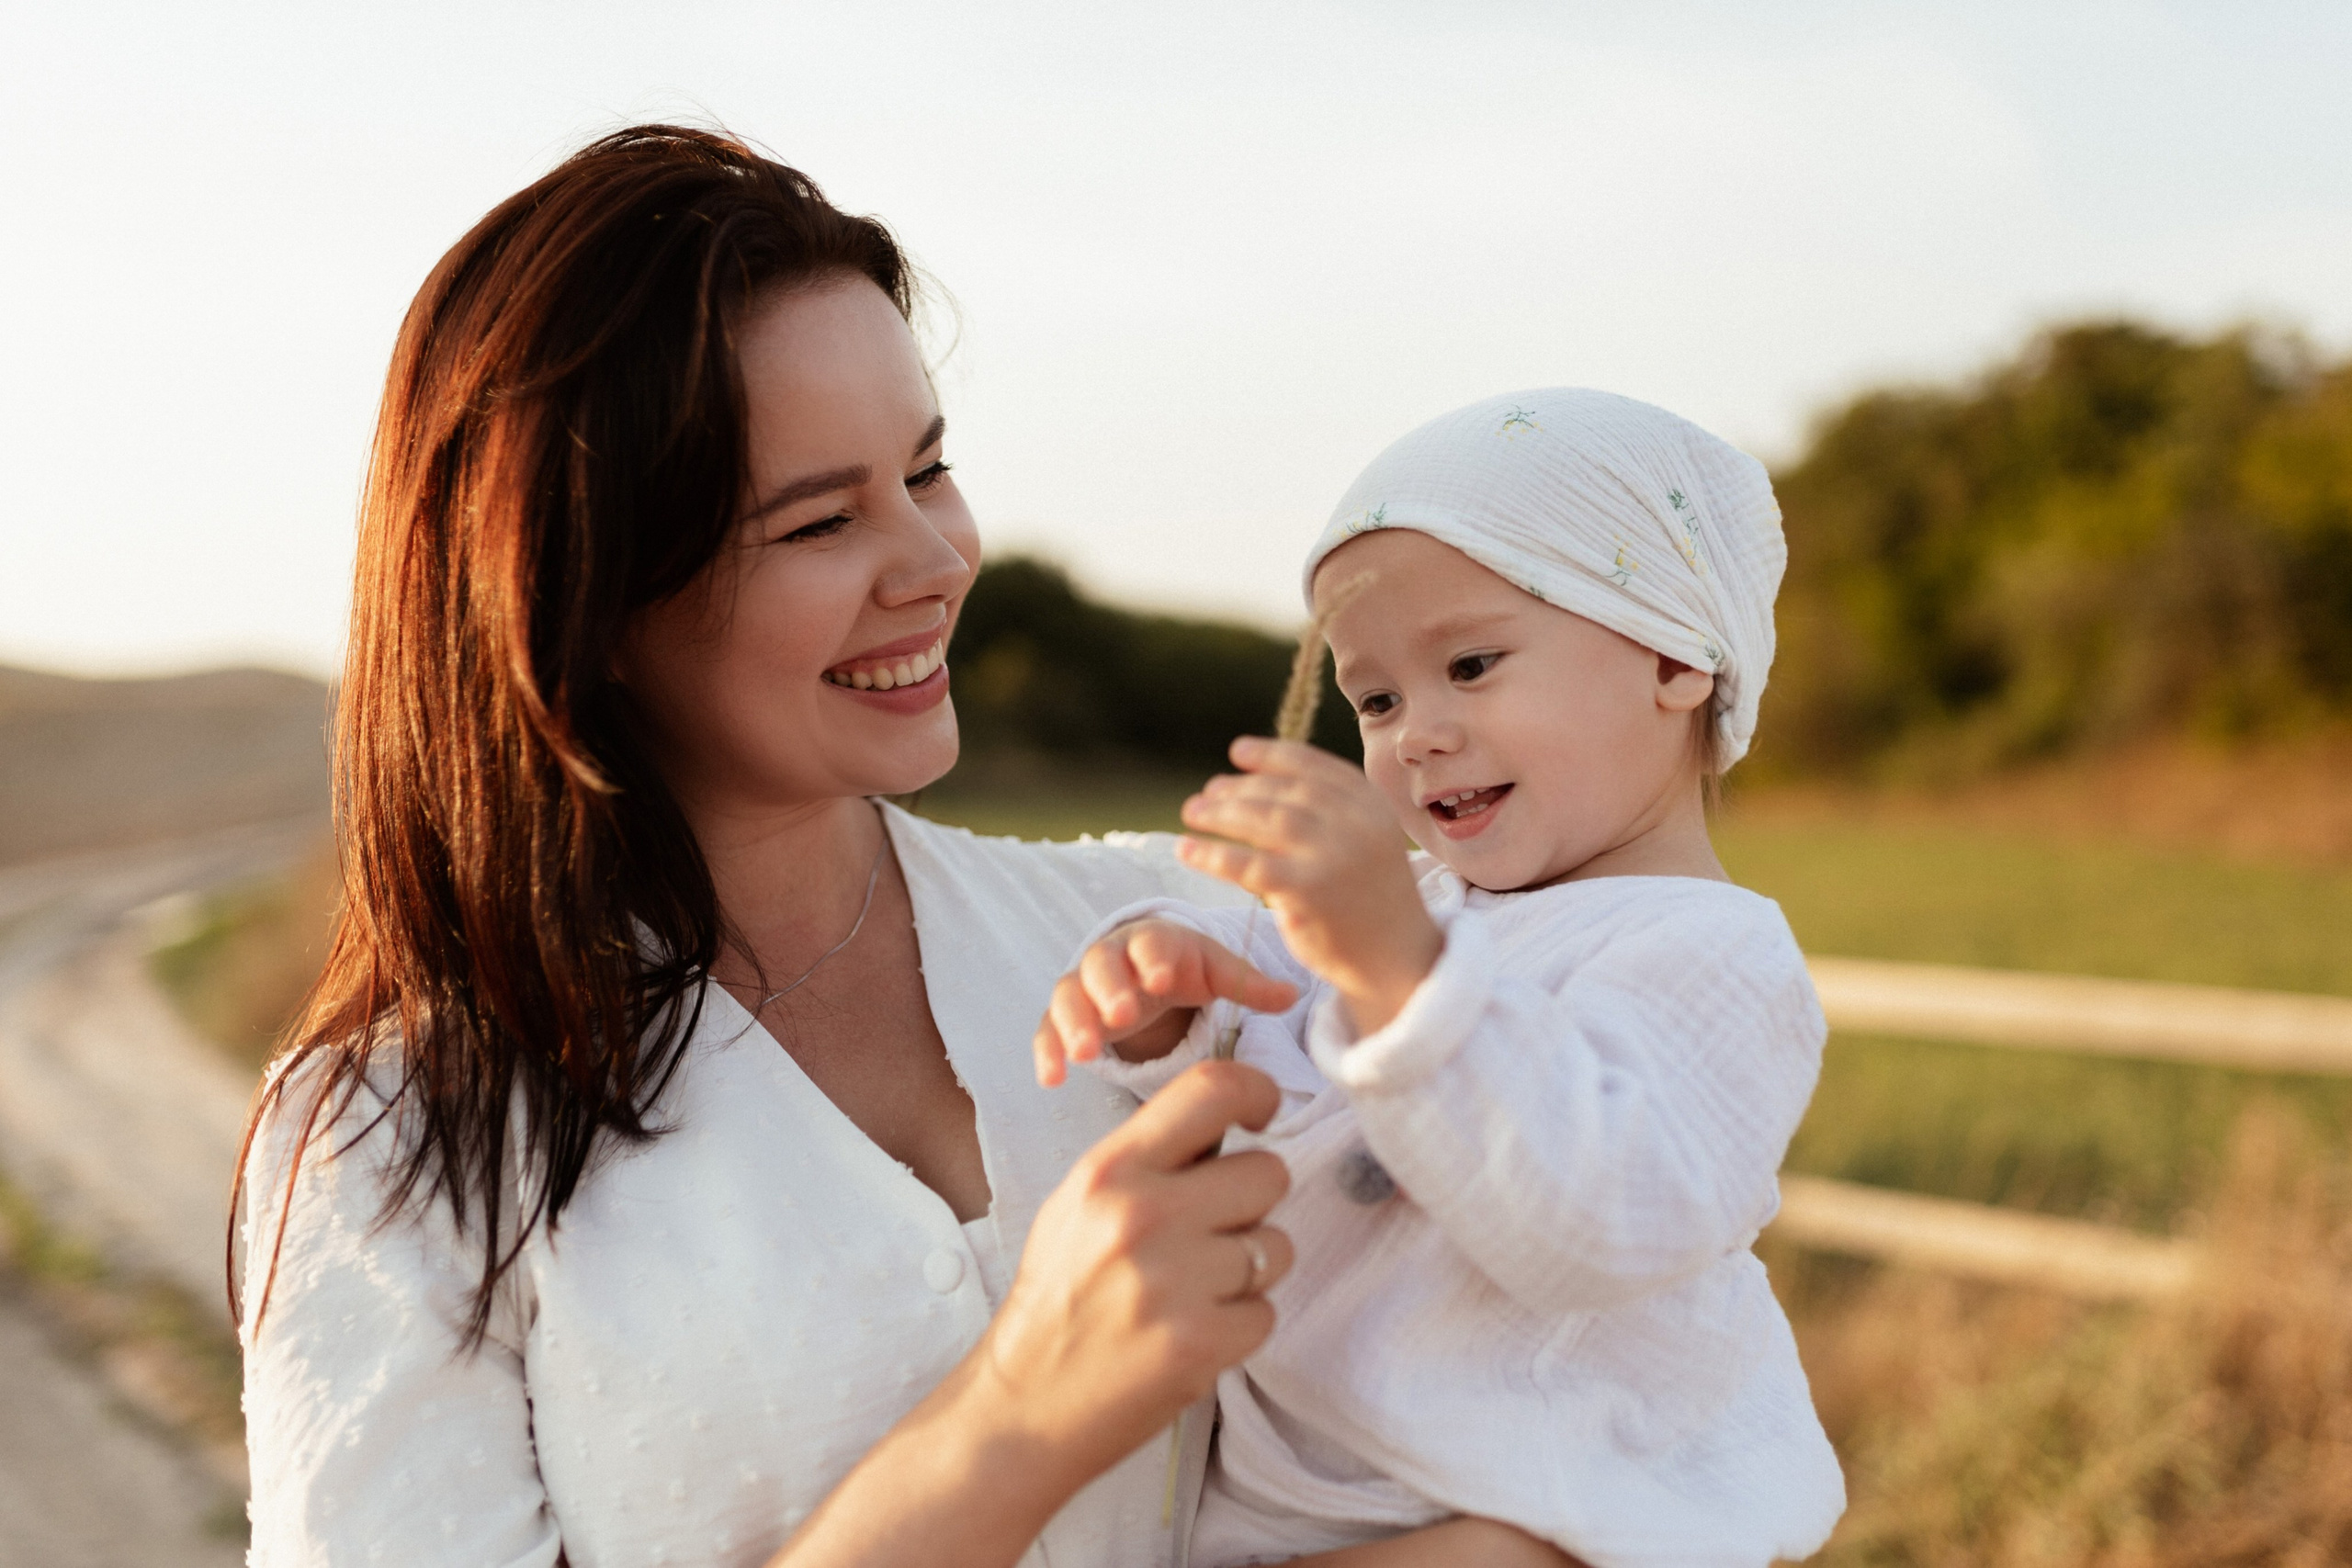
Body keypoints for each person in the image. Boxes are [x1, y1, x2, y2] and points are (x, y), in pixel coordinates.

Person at [232, 126, 1577, 1568]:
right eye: (820, 519)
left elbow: (1607, 1216)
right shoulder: (393, 1138)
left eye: (927, 470)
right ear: (584, 600)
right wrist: (1021, 1412)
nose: (939, 559)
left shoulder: (1189, 933)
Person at [1034, 390, 1848, 1567]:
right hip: (1290, 1504)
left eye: (1469, 664)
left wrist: (1398, 969)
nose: (1415, 732)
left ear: (1675, 655)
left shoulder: (1706, 952)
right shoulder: (1419, 908)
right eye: (1375, 699)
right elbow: (1280, 1005)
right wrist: (1170, 990)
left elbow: (1600, 1221)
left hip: (1548, 1501)